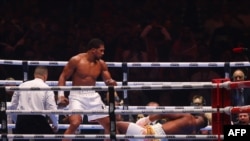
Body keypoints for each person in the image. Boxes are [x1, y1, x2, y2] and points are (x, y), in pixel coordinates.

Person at [57, 38, 117, 141]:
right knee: (75, 123)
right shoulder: (76, 60)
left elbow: (108, 80)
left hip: (92, 95)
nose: (103, 53)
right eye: (101, 50)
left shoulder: (101, 64)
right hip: (77, 95)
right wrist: (61, 95)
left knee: (110, 125)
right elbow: (63, 76)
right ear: (93, 50)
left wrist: (111, 82)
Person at [10, 66, 58, 141]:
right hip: (38, 120)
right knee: (52, 138)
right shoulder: (47, 88)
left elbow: (13, 105)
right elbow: (52, 108)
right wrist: (55, 124)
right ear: (45, 76)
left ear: (34, 75)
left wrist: (17, 121)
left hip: (22, 119)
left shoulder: (22, 85)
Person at [116, 113, 208, 141]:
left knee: (116, 125)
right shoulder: (193, 134)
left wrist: (147, 119)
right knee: (126, 137)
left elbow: (163, 113)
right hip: (160, 139)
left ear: (196, 117)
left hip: (151, 134)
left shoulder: (188, 117)